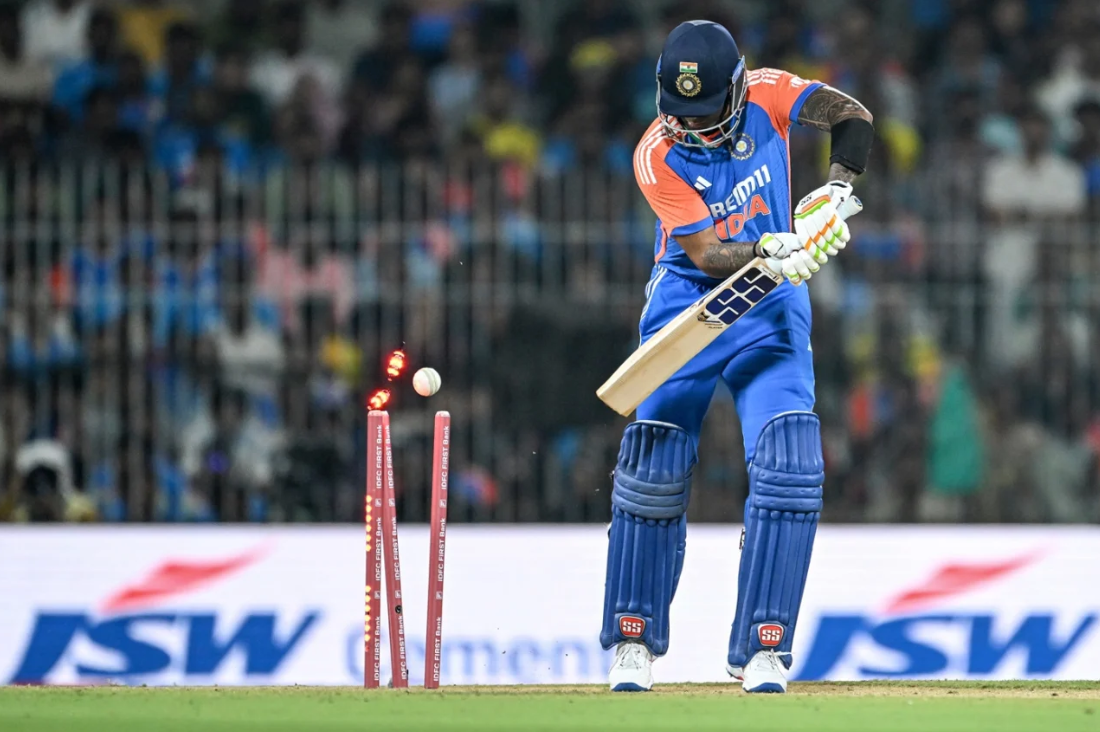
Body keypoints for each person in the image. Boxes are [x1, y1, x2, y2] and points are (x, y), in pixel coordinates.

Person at [601, 20, 873, 693]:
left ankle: (763, 647)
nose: (692, 129)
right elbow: (703, 255)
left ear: (737, 85)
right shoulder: (654, 154)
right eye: (680, 115)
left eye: (706, 113)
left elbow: (850, 116)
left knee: (790, 466)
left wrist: (835, 190)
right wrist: (767, 248)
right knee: (654, 468)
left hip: (770, 307)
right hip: (690, 303)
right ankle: (633, 642)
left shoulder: (770, 93)